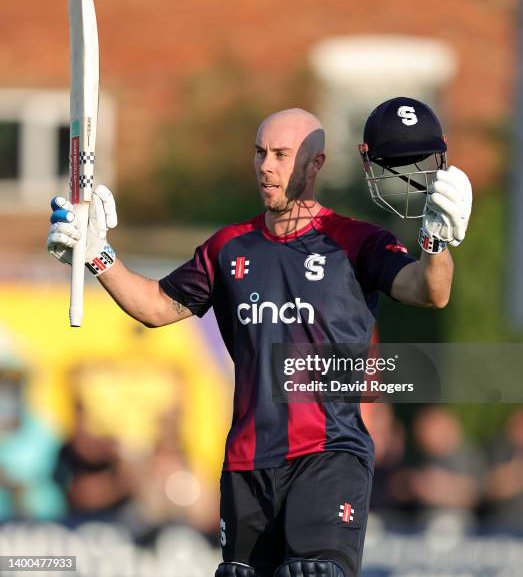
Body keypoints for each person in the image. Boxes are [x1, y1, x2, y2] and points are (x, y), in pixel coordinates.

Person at [47, 100, 473, 577]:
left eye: (281, 155)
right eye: (260, 152)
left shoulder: (357, 241)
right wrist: (98, 254)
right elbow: (153, 306)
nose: (266, 167)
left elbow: (429, 291)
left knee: (313, 573)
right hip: (246, 461)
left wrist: (436, 243)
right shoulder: (228, 247)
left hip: (328, 455)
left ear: (316, 164)